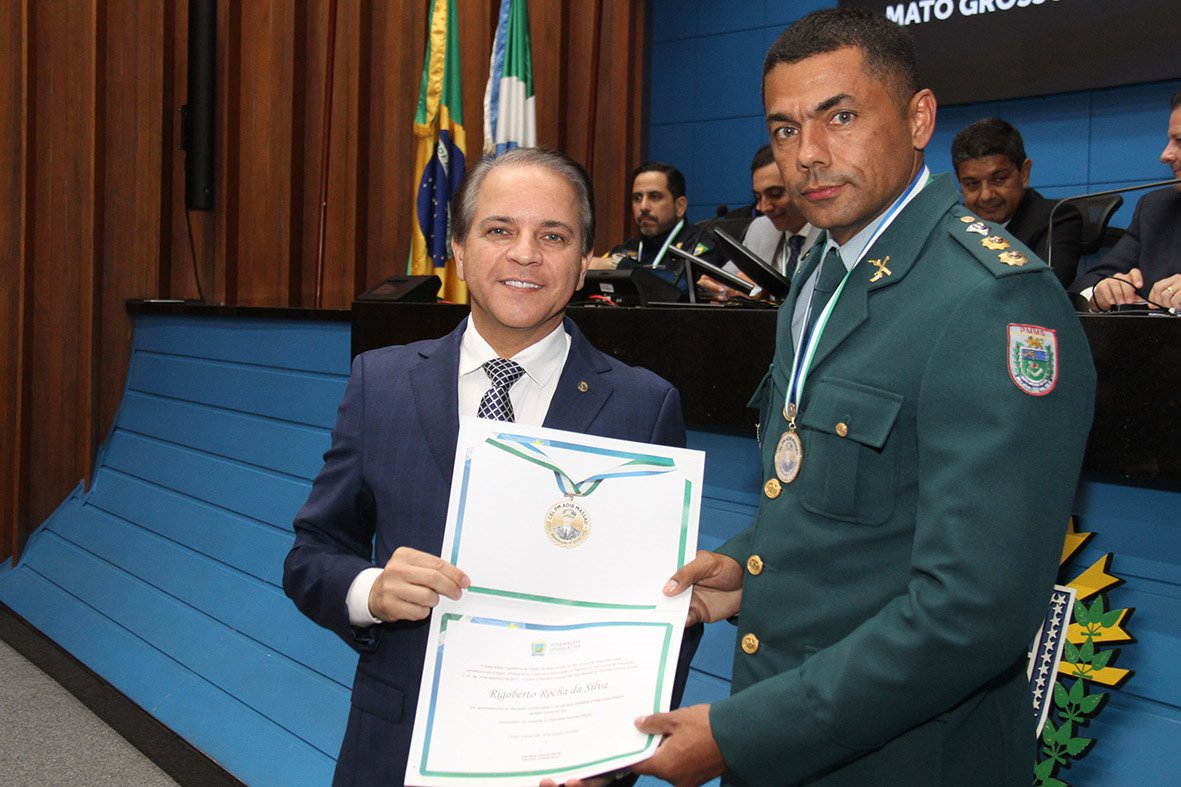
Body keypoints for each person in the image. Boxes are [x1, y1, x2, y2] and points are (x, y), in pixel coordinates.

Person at [629, 9, 1095, 786]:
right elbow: (830, 493)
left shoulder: (991, 299)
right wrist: (744, 565)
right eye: (784, 129)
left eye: (839, 116)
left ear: (918, 119)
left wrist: (747, 732)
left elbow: (972, 610)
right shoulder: (821, 272)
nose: (806, 154)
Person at [283, 147, 700, 785]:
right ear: (458, 247)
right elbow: (312, 554)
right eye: (499, 230)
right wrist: (371, 590)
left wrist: (619, 748)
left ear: (585, 262)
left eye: (553, 236)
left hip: (560, 762)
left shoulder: (644, 406)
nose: (525, 254)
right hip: (397, 746)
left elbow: (669, 605)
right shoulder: (381, 383)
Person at [1070, 87, 1181, 312]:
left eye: (1179, 141)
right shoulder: (1155, 209)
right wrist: (1100, 292)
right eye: (1170, 140)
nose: (1166, 155)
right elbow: (1089, 282)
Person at [951, 117, 1084, 288]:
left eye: (998, 179)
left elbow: (1046, 290)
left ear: (1024, 173)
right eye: (972, 184)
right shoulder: (952, 226)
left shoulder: (1056, 219)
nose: (986, 195)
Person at [699, 145, 822, 302]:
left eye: (775, 194)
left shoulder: (833, 232)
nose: (763, 207)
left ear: (806, 185)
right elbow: (726, 280)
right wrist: (718, 288)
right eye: (758, 197)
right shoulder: (760, 228)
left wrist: (767, 296)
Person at [608, 162, 726, 290]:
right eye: (637, 198)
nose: (643, 207)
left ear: (680, 206)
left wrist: (621, 266)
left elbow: (686, 288)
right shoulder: (626, 248)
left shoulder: (699, 246)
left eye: (654, 197)